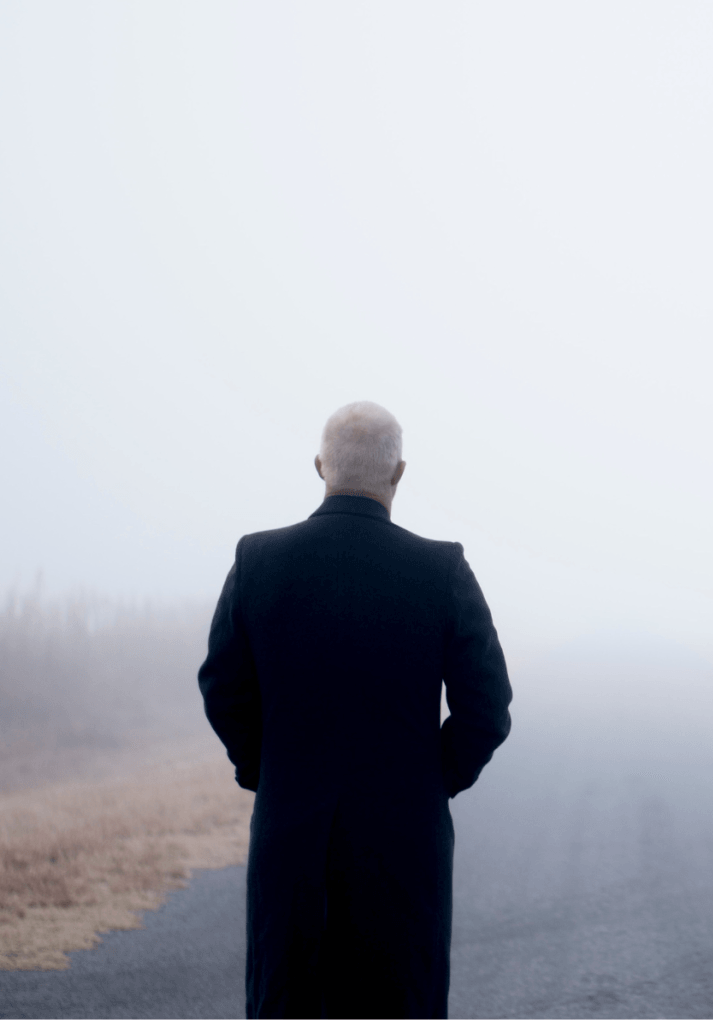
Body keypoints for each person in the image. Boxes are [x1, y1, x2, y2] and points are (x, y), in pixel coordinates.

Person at [199, 401, 512, 1018]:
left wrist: (267, 772)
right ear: (399, 474)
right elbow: (488, 708)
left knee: (288, 1002)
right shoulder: (441, 569)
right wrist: (430, 781)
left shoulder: (257, 561)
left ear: (320, 467)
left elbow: (222, 688)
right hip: (405, 848)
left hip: (290, 840)